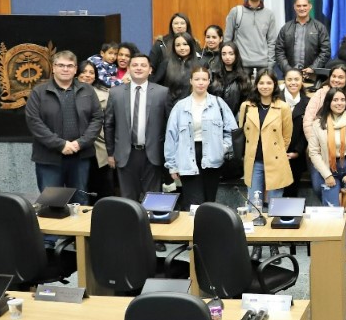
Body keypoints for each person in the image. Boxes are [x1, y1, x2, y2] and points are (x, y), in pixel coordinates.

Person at [164, 65, 235, 206]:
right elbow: (171, 137)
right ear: (191, 81)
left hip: (213, 158)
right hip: (187, 158)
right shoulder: (180, 106)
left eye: (204, 79)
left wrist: (223, 147)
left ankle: (209, 228)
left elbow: (232, 130)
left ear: (209, 81)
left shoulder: (218, 103)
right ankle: (192, 228)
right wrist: (172, 165)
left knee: (210, 203)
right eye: (197, 79)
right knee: (194, 203)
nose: (200, 82)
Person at [103, 52, 169, 201]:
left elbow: (168, 125)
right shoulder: (116, 93)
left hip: (153, 153)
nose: (139, 68)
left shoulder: (162, 92)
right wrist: (110, 153)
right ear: (129, 68)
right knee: (128, 199)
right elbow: (109, 124)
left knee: (153, 200)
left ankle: (153, 224)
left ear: (150, 70)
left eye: (143, 65)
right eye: (135, 65)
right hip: (125, 153)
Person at [238, 71, 294, 203]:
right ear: (256, 85)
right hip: (253, 161)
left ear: (275, 85)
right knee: (254, 205)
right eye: (261, 83)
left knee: (275, 206)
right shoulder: (246, 106)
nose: (265, 86)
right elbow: (243, 132)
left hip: (275, 160)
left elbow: (287, 136)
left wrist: (277, 152)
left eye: (269, 83)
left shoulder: (283, 107)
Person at [306, 87, 346, 208]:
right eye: (335, 100)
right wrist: (327, 175)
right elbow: (313, 152)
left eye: (343, 100)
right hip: (325, 168)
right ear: (328, 102)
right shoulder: (317, 124)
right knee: (331, 208)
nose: (339, 103)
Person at [225, 0, 282, 78]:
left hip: (263, 65)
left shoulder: (269, 14)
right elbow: (227, 39)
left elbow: (272, 41)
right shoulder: (236, 12)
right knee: (242, 93)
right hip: (241, 64)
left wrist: (270, 65)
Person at [77, 60, 114, 201]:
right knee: (81, 187)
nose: (87, 75)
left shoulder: (106, 93)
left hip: (101, 146)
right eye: (84, 72)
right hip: (78, 146)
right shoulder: (68, 92)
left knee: (103, 186)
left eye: (91, 72)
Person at [275, 0, 330, 81]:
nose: (302, 8)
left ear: (310, 6)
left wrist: (313, 68)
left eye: (304, 5)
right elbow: (279, 51)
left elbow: (325, 51)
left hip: (312, 76)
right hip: (290, 76)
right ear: (294, 7)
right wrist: (288, 70)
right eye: (299, 6)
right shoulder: (286, 28)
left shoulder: (319, 27)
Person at [280, 68, 310, 198]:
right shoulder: (275, 100)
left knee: (291, 193)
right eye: (289, 79)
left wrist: (297, 152)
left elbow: (307, 131)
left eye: (296, 79)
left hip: (296, 156)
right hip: (275, 154)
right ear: (285, 81)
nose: (293, 83)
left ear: (302, 81)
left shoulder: (307, 103)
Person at [153, 31, 199, 100]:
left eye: (185, 44)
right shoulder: (166, 63)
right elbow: (156, 85)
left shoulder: (200, 63)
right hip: (170, 105)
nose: (182, 48)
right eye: (178, 45)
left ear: (191, 45)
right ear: (174, 47)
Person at [211, 42, 252, 115]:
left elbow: (246, 102)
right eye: (224, 54)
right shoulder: (213, 74)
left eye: (231, 54)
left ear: (236, 55)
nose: (227, 57)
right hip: (214, 117)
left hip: (235, 118)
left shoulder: (244, 77)